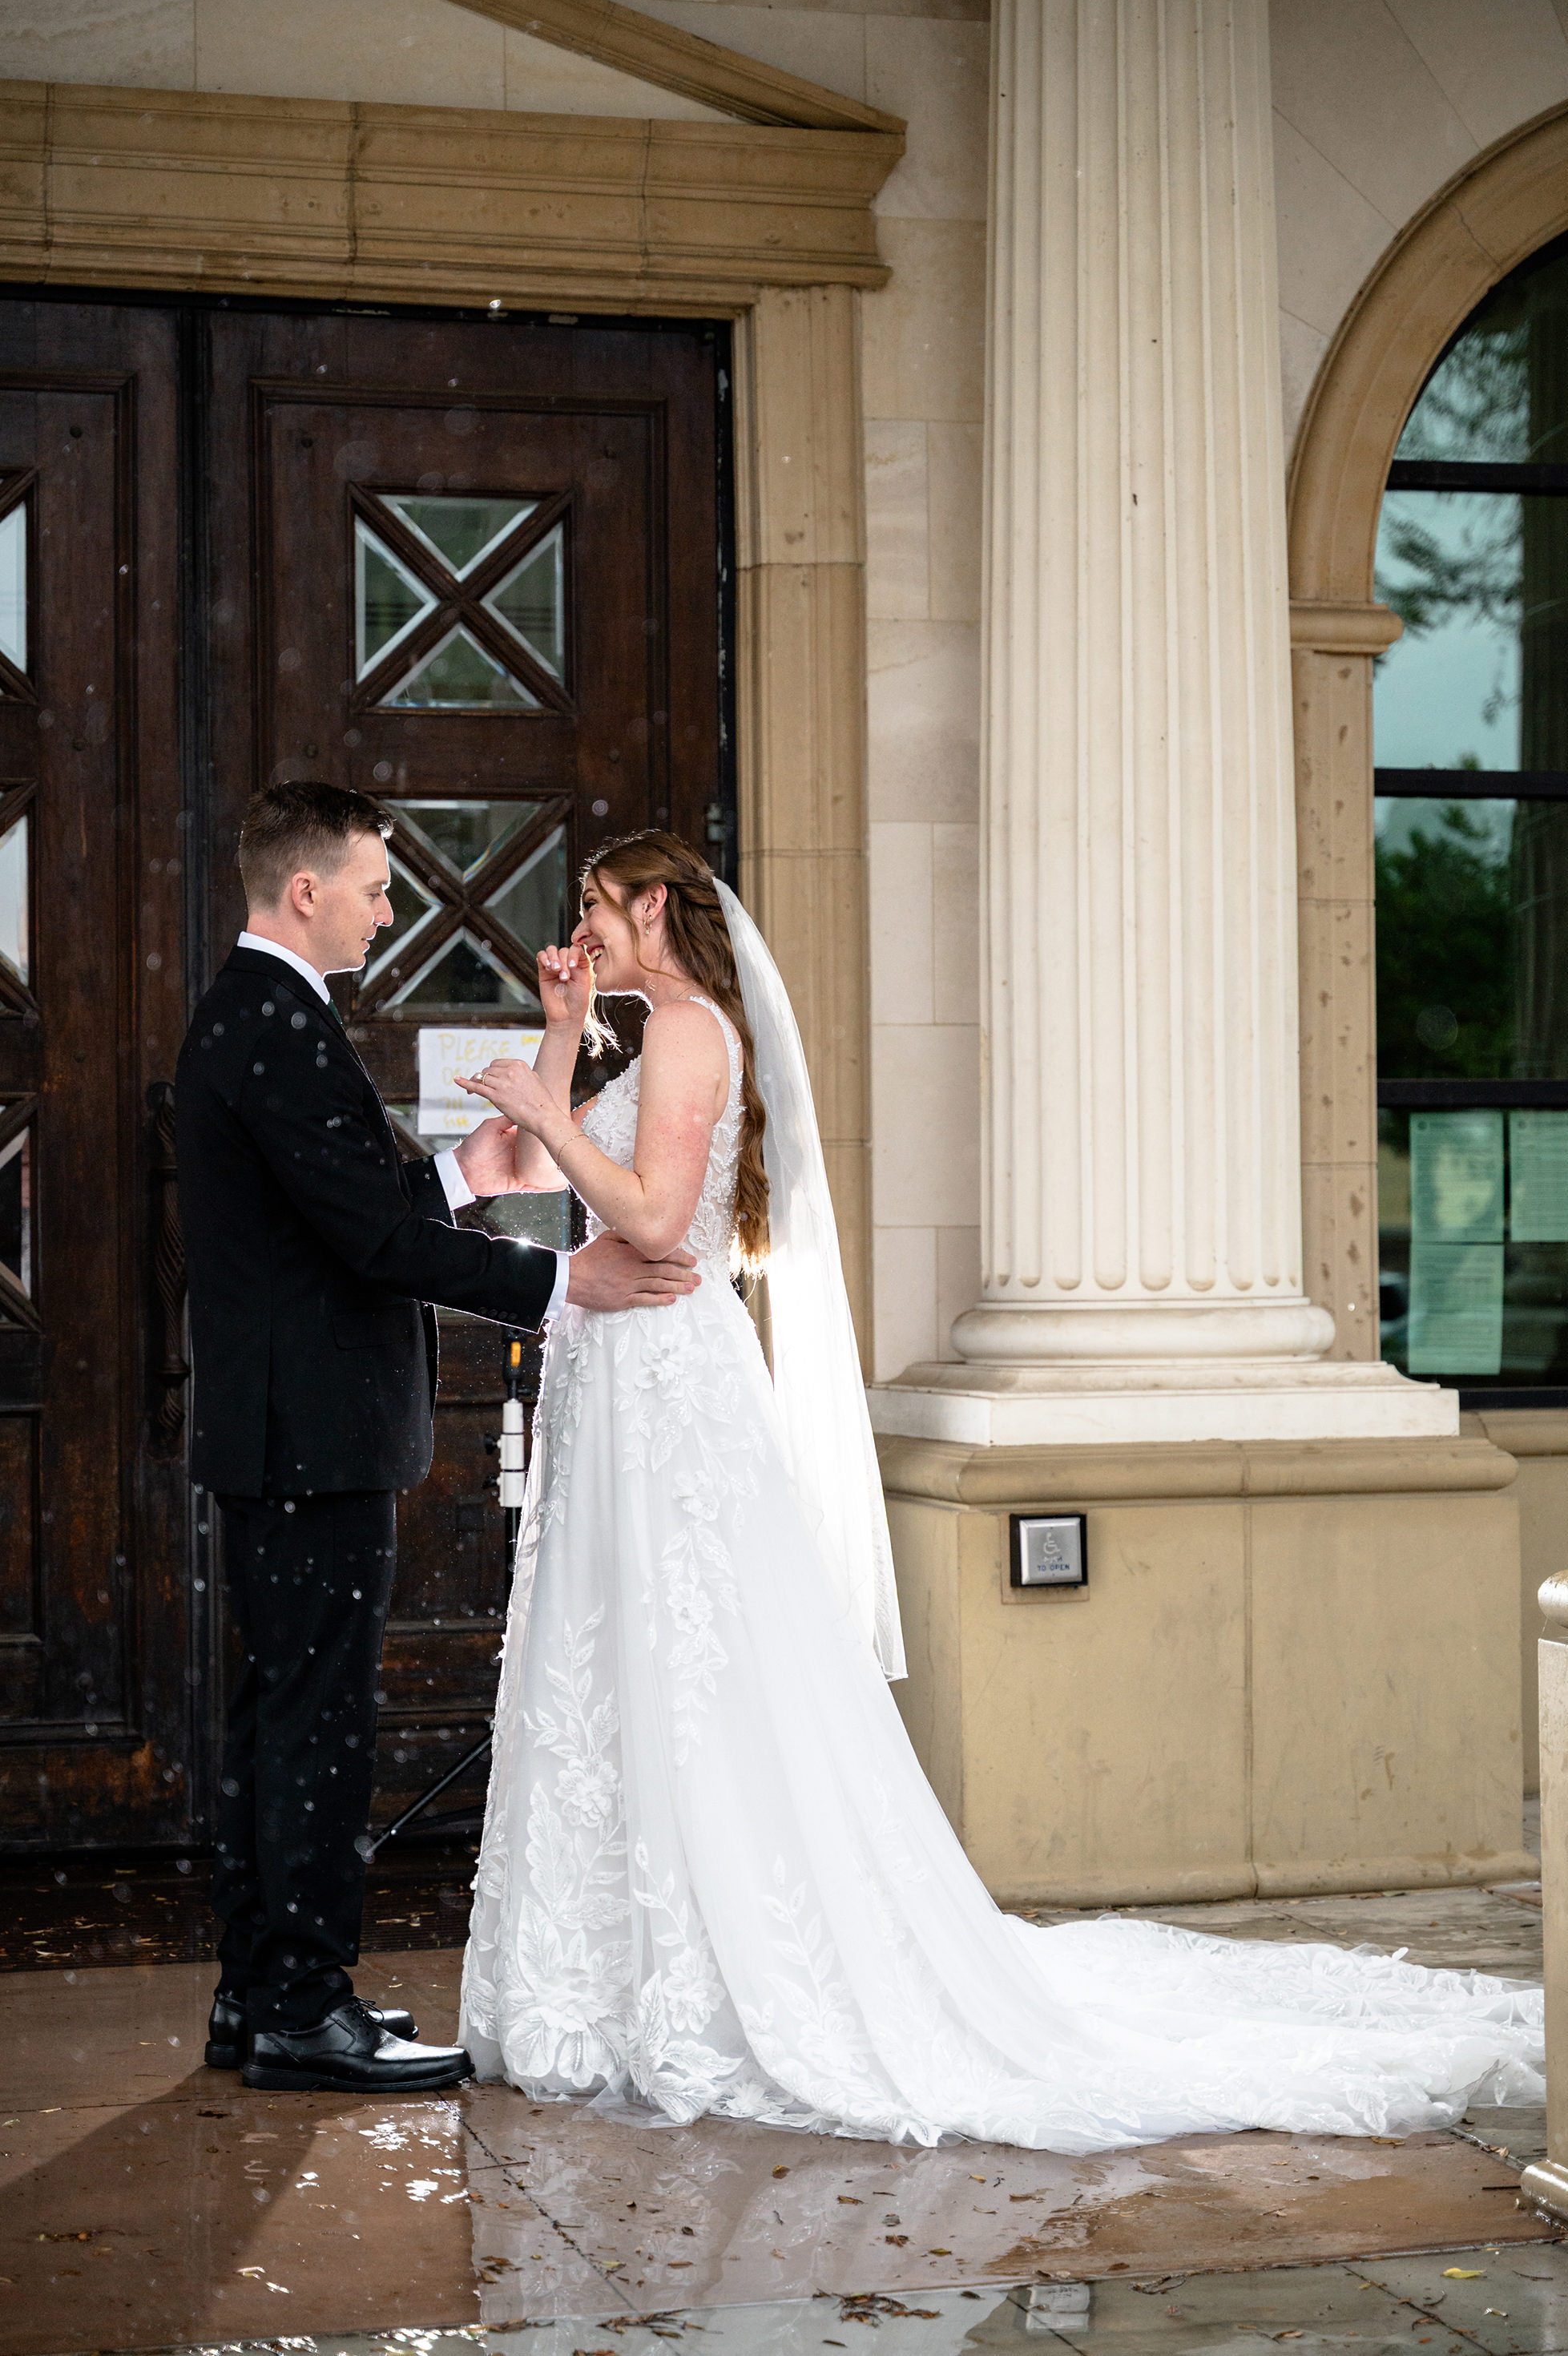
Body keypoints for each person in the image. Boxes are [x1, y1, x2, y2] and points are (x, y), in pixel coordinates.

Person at [453, 829, 1543, 2152]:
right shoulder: (640, 1033)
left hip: (663, 1386)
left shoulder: (687, 1031)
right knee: (608, 1664)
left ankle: (708, 1975)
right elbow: (528, 1177)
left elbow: (651, 1208)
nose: (583, 927)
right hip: (613, 1377)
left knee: (695, 1666)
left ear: (658, 907)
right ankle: (604, 1986)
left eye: (597, 906)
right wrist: (563, 1040)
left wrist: (555, 1110)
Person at [175, 783, 700, 2096]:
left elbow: (355, 1201)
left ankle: (260, 1994)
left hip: (295, 1431)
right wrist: (554, 1287)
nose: (391, 905)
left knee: (281, 1713)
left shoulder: (267, 1016)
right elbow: (364, 1239)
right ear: (308, 891)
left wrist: (468, 1168)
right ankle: (303, 2004)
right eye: (375, 883)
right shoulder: (274, 1023)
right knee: (318, 1721)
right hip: (312, 1437)